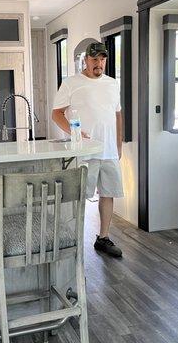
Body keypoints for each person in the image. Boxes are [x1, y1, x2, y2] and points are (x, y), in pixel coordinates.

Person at [52, 41, 124, 258]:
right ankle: (72, 240)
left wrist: (119, 144)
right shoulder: (72, 83)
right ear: (86, 60)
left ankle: (103, 238)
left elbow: (117, 115)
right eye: (94, 59)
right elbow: (56, 114)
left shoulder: (112, 83)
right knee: (79, 196)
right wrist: (74, 133)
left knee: (108, 194)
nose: (98, 63)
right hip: (85, 151)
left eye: (102, 59)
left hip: (109, 150)